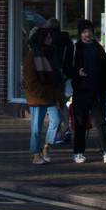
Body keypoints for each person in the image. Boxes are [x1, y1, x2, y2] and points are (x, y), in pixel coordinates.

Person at [64, 19, 106, 164]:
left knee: (100, 121)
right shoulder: (75, 48)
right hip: (81, 91)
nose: (87, 34)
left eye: (89, 31)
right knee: (80, 122)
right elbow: (66, 68)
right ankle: (78, 152)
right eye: (84, 32)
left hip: (97, 91)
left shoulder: (98, 48)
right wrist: (77, 72)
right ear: (80, 33)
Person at [23, 25, 63, 165]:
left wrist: (58, 96)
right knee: (36, 127)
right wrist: (41, 93)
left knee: (57, 120)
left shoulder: (52, 54)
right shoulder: (32, 56)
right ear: (41, 39)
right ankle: (35, 153)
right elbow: (30, 79)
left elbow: (57, 76)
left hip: (51, 95)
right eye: (47, 37)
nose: (50, 39)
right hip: (38, 97)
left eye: (50, 37)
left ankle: (47, 146)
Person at [46, 18, 74, 147]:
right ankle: (67, 129)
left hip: (54, 77)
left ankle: (57, 132)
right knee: (63, 104)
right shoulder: (68, 41)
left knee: (54, 105)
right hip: (67, 76)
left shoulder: (50, 42)